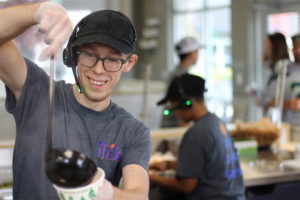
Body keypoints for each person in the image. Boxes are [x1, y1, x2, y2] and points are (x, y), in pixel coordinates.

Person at [0, 2, 151, 200]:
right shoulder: (38, 93)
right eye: (89, 55)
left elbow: (139, 195)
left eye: (112, 59)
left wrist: (104, 192)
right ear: (72, 56)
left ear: (128, 63)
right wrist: (38, 11)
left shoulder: (132, 131)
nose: (99, 69)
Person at [151, 74, 246, 200]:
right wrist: (175, 164)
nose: (176, 113)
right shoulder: (217, 122)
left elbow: (186, 186)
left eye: (175, 107)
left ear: (186, 103)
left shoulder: (196, 134)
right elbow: (212, 164)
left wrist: (151, 178)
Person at [160, 36, 200, 128]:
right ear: (192, 54)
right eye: (197, 52)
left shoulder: (177, 73)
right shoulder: (181, 76)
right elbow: (181, 105)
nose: (198, 55)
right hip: (175, 124)